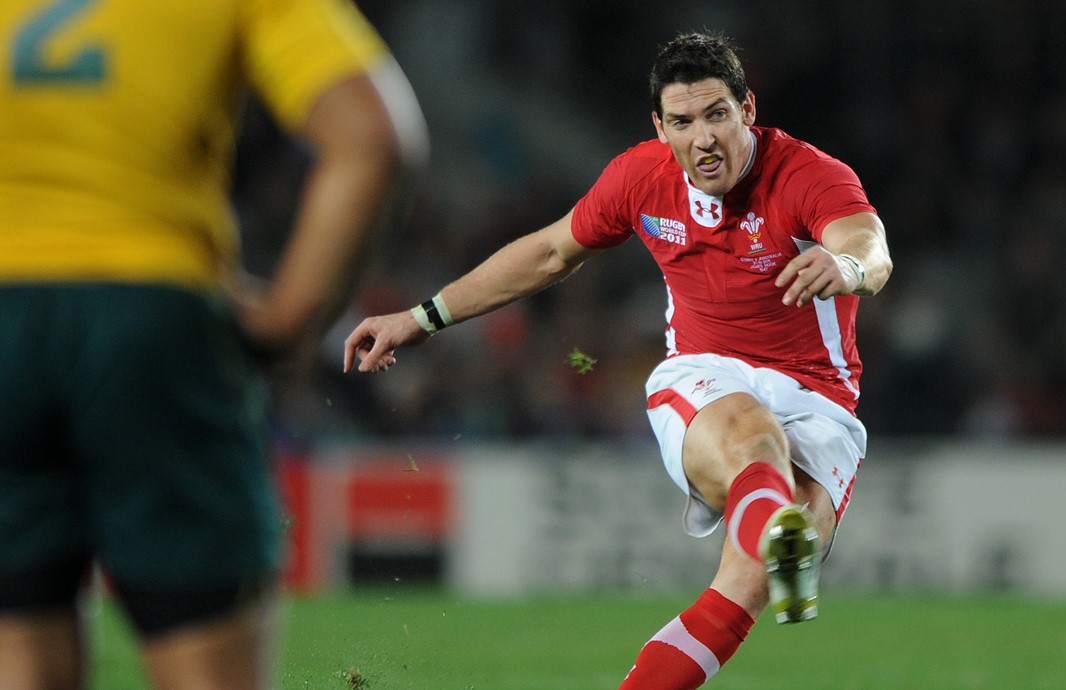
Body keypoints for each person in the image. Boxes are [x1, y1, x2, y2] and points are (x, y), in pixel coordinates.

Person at [345, 30, 890, 689]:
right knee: (753, 438)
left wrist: (847, 264)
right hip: (705, 374)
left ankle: (775, 546)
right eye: (684, 122)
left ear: (747, 111)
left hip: (821, 401)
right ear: (661, 127)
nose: (704, 139)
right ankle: (781, 532)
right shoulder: (642, 177)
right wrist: (422, 318)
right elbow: (550, 252)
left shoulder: (806, 174)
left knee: (745, 583)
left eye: (717, 114)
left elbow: (869, 244)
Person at [0, 0, 426, 688]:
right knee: (200, 661)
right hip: (151, 310)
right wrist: (290, 318)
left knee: (16, 648)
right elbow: (373, 137)